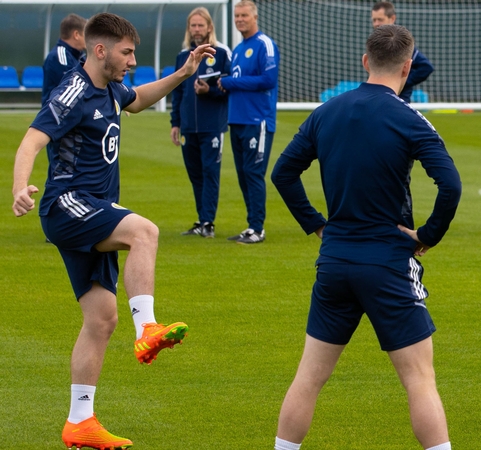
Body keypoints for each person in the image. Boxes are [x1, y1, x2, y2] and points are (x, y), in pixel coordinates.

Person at [12, 12, 215, 448]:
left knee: (101, 319)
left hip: (92, 208)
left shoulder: (111, 88)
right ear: (99, 50)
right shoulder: (73, 91)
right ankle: (148, 329)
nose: (132, 60)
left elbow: (138, 99)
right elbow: (31, 140)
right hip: (67, 205)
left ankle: (80, 422)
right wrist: (18, 188)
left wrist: (182, 72)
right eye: (127, 52)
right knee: (144, 231)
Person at [271, 24, 461, 450]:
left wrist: (318, 225)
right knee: (419, 380)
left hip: (335, 261)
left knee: (308, 377)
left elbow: (282, 173)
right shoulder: (408, 117)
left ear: (364, 61)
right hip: (388, 262)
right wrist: (427, 235)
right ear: (408, 68)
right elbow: (450, 185)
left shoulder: (326, 111)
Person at [217, 0, 279, 244]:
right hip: (237, 119)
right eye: (237, 15)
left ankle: (258, 228)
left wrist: (230, 83)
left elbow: (269, 79)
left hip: (258, 119)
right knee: (243, 174)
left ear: (255, 17)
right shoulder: (239, 49)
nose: (239, 19)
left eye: (244, 15)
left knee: (253, 173)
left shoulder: (265, 44)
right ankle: (251, 225)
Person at [170, 7, 231, 239]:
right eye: (193, 25)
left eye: (200, 25)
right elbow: (177, 92)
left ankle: (208, 222)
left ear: (209, 27)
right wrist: (175, 122)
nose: (196, 30)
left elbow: (231, 87)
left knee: (210, 172)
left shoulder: (222, 53)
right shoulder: (182, 55)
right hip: (188, 126)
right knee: (195, 174)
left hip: (212, 125)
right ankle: (201, 220)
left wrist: (211, 91)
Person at [371, 1, 434, 103]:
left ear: (392, 19)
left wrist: (404, 81)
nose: (376, 23)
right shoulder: (374, 44)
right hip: (379, 98)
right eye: (374, 20)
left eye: (380, 19)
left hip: (398, 100)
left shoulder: (399, 42)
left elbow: (426, 67)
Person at [42, 14, 87, 106]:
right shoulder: (59, 57)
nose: (89, 39)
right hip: (58, 116)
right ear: (76, 35)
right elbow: (72, 88)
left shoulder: (80, 56)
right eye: (86, 34)